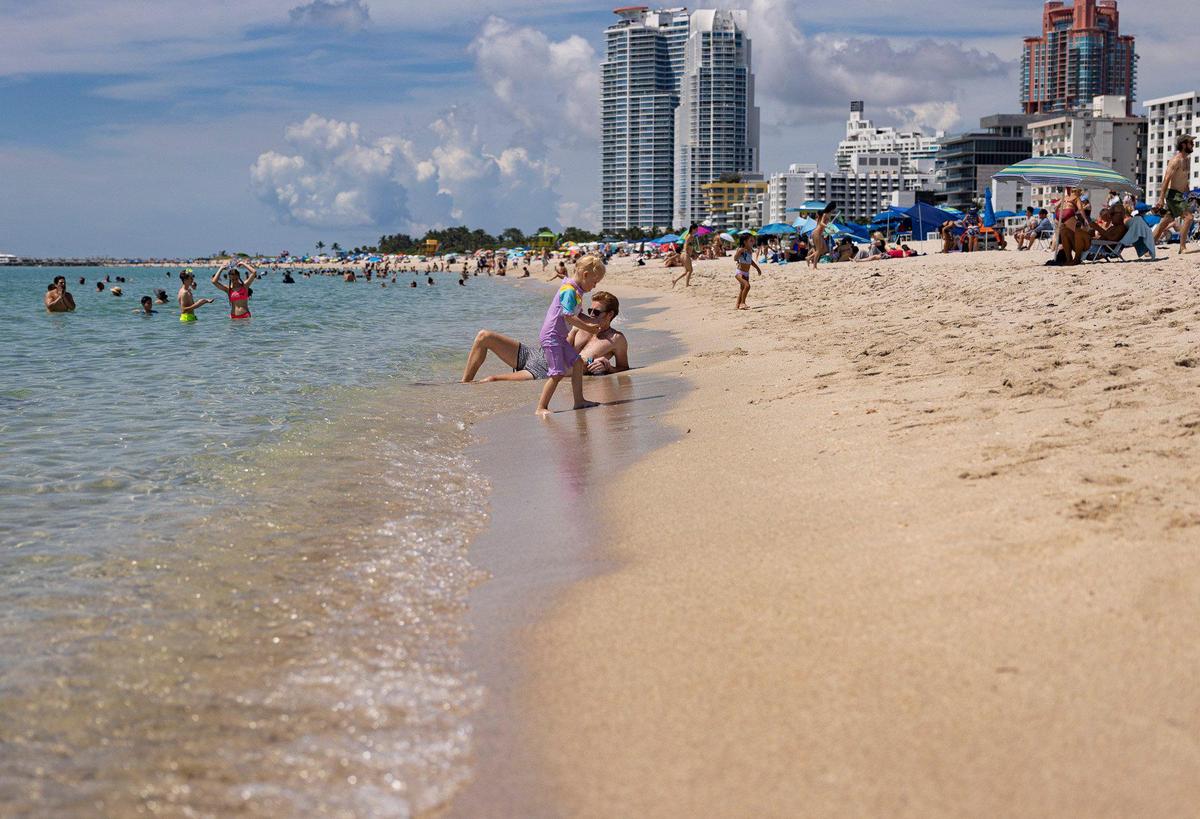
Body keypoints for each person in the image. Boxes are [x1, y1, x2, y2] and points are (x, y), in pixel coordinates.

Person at [462, 291, 630, 383]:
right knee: (484, 336)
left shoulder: (616, 339)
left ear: (610, 315)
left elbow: (624, 369)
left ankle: (468, 392)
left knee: (492, 379)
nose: (591, 314)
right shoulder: (582, 327)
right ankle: (464, 384)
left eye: (596, 312)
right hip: (535, 354)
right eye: (589, 310)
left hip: (546, 370)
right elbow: (562, 343)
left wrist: (608, 368)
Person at [535, 256, 606, 417]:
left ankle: (579, 400)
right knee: (557, 373)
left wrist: (594, 321)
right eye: (595, 282)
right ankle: (541, 407)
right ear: (585, 275)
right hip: (551, 336)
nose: (594, 286)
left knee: (578, 363)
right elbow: (568, 316)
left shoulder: (576, 291)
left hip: (559, 337)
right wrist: (588, 327)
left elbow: (577, 314)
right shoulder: (569, 290)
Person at [1154, 134, 1195, 254]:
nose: (1193, 145)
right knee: (1189, 217)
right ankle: (1182, 247)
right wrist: (1161, 199)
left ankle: (1147, 247)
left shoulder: (1186, 160)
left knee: (1165, 221)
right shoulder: (1175, 160)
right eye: (1190, 143)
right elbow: (1166, 179)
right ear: (1183, 145)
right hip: (1173, 194)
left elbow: (1183, 179)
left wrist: (1189, 193)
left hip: (1180, 195)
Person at [733, 234, 760, 310]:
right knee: (747, 286)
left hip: (746, 273)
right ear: (745, 242)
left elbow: (750, 261)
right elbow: (735, 259)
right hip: (739, 273)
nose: (753, 242)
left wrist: (757, 268)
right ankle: (742, 303)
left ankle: (737, 305)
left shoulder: (750, 250)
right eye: (751, 240)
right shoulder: (741, 249)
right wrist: (739, 252)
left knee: (742, 289)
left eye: (753, 240)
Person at [808, 203, 837, 269]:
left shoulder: (829, 214)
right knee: (819, 250)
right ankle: (814, 266)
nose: (834, 210)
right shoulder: (825, 214)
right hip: (816, 233)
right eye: (834, 208)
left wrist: (831, 228)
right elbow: (821, 223)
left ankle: (809, 257)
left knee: (824, 250)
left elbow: (825, 224)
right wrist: (827, 226)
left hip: (820, 233)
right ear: (831, 208)